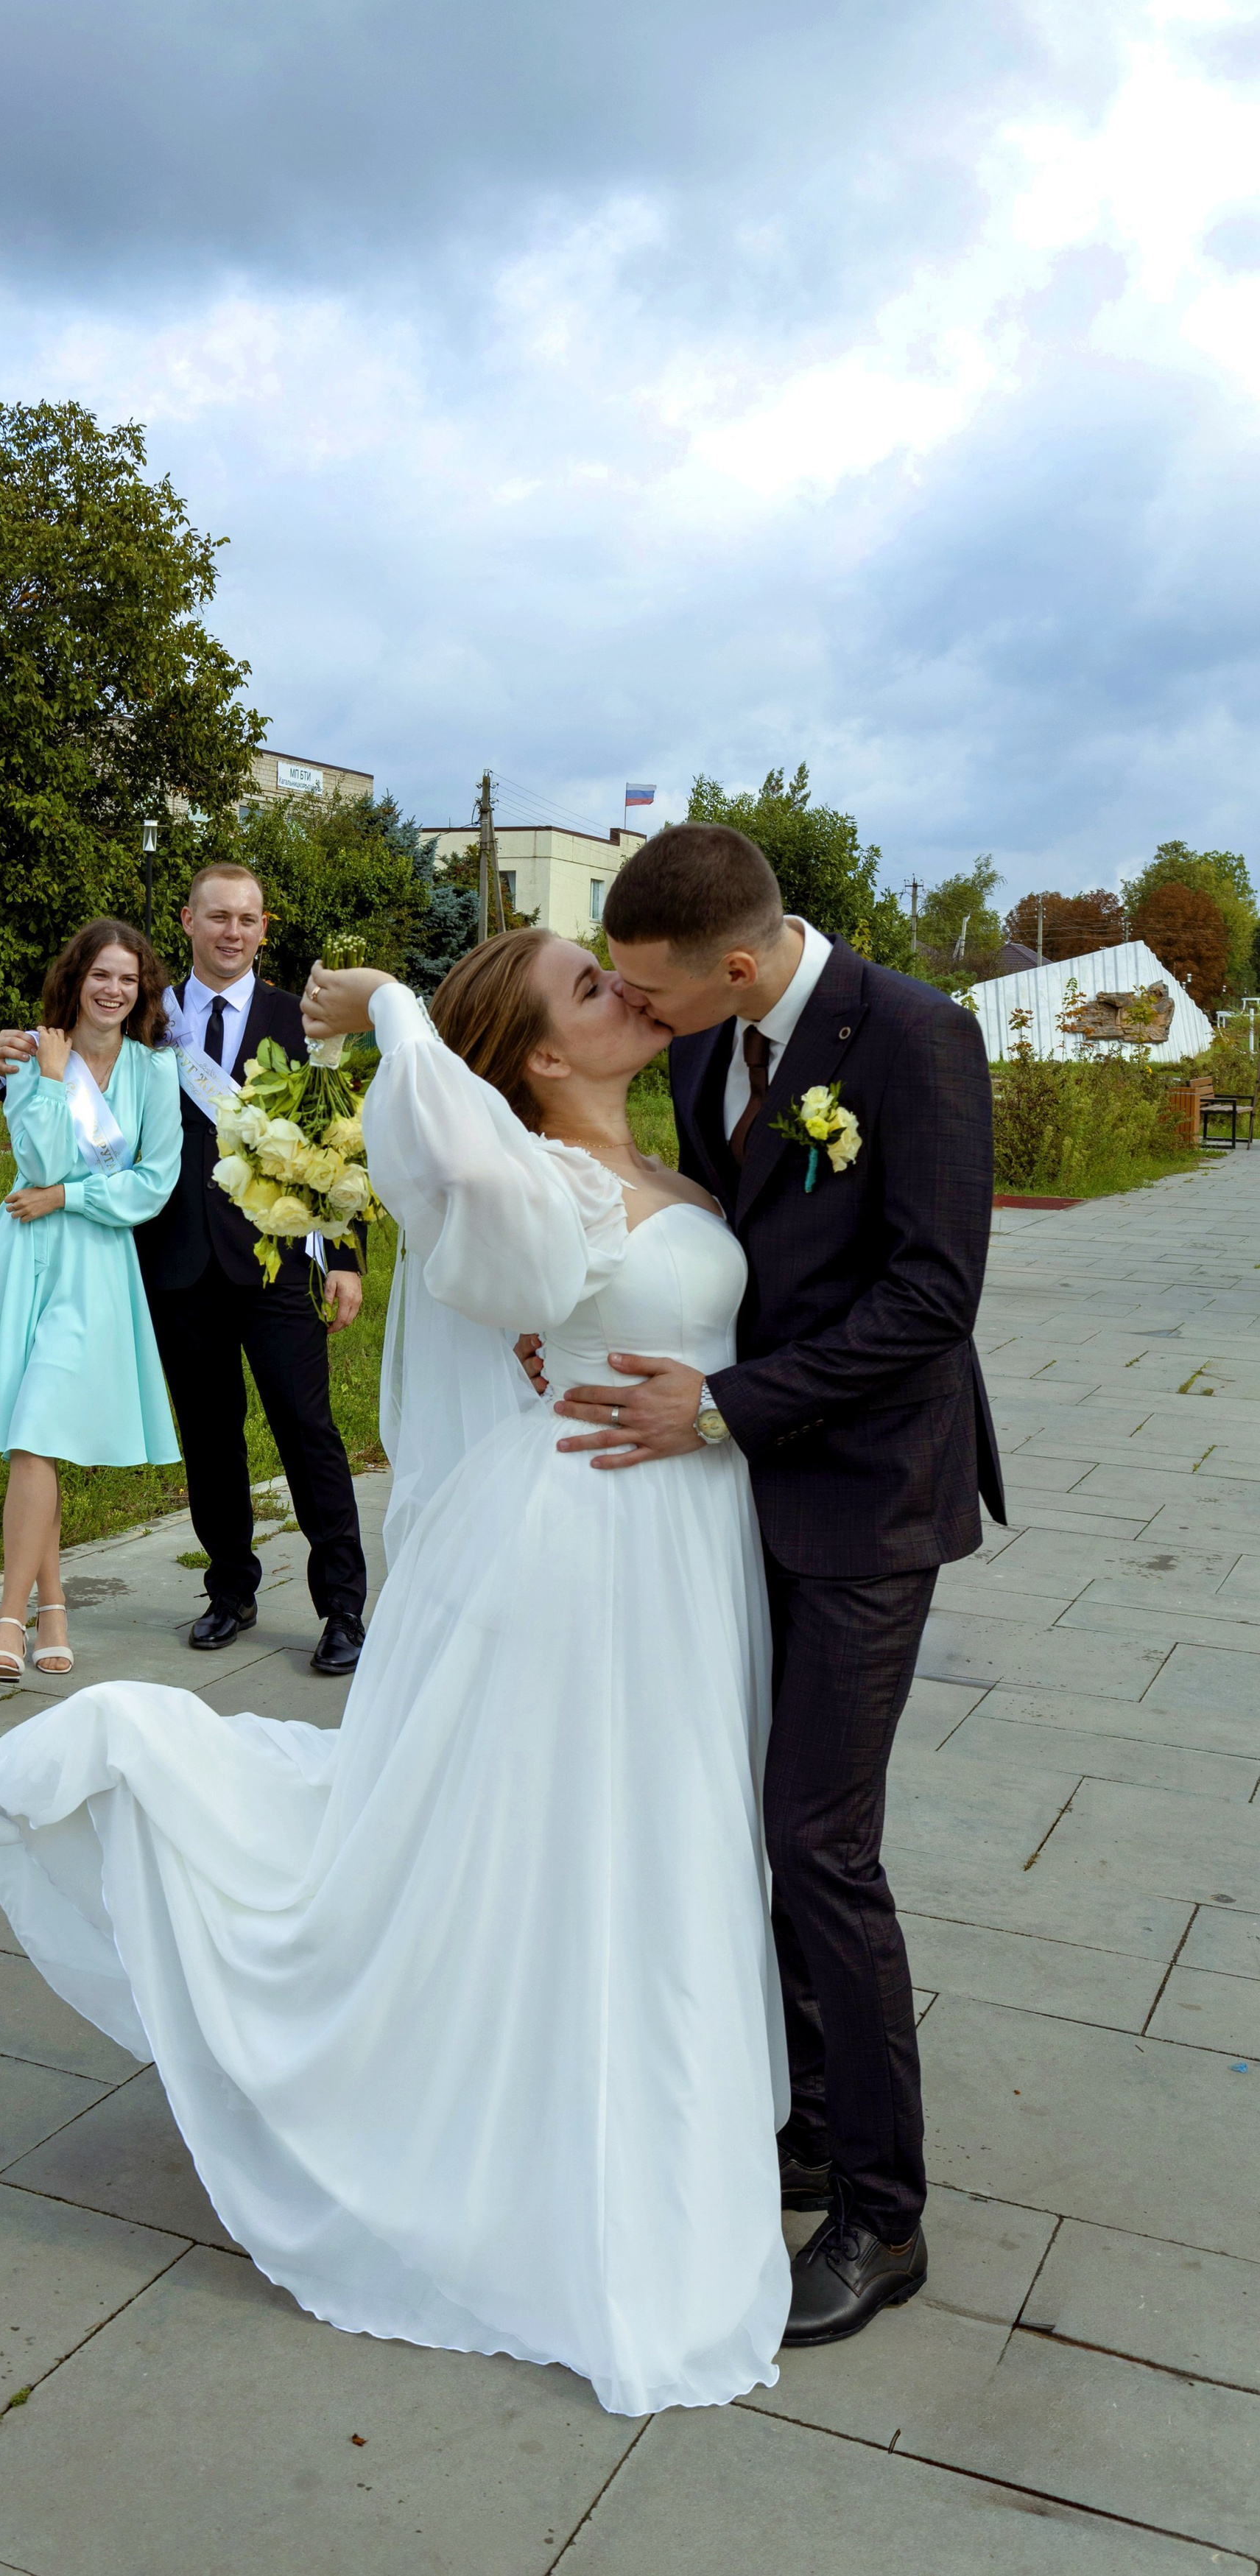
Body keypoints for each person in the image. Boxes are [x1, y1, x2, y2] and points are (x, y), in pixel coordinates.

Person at [0, 932, 791, 2419]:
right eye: (586, 989)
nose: (622, 994)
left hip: (682, 1540)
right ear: (533, 1059)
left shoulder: (662, 1152)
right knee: (584, 1838)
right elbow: (453, 1172)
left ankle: (656, 2100)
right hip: (584, 1544)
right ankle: (550, 2130)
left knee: (653, 1830)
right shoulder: (520, 1175)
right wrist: (405, 1015)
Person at [540, 821, 1004, 2348]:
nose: (631, 1011)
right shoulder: (704, 1046)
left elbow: (932, 1300)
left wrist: (728, 1408)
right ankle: (804, 2118)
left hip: (868, 1499)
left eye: (646, 991)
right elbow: (714, 1251)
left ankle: (881, 2212)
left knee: (817, 1840)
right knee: (747, 1814)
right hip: (730, 1497)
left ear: (734, 965)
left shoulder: (916, 1038)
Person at [0, 861, 370, 1676]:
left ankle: (342, 1606)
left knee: (308, 1432)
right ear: (189, 923)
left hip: (277, 1262)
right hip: (175, 1261)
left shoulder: (298, 1021)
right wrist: (8, 1054)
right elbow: (70, 1065)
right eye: (218, 916)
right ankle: (230, 1590)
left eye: (249, 918)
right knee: (209, 1435)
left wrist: (343, 1257)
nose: (233, 931)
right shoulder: (151, 1020)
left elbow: (337, 1142)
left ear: (264, 929)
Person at [0, 919, 183, 1685]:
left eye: (128, 979)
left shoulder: (154, 1072)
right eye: (100, 975)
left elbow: (153, 1182)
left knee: (38, 1424)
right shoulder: (31, 1056)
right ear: (75, 979)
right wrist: (46, 1079)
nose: (113, 990)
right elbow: (35, 1160)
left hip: (95, 1265)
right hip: (24, 1257)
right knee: (30, 1440)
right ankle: (49, 1611)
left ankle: (9, 1623)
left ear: (141, 992)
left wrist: (68, 1197)